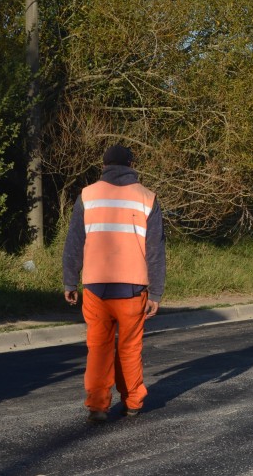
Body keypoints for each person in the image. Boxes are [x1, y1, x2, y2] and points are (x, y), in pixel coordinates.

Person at [63, 145, 166, 423]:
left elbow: (74, 243)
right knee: (130, 348)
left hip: (96, 288)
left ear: (104, 165)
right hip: (133, 290)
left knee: (99, 348)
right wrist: (156, 292)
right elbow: (155, 250)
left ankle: (98, 406)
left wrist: (70, 281)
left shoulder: (87, 195)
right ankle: (132, 402)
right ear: (131, 164)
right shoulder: (147, 198)